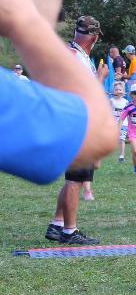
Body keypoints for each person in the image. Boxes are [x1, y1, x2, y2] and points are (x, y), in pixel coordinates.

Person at [0, 0, 115, 186]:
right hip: (73, 125)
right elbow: (98, 132)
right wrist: (24, 20)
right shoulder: (73, 55)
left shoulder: (78, 54)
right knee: (73, 183)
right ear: (94, 38)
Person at [44, 14, 114, 244]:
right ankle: (69, 231)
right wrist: (100, 78)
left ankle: (57, 224)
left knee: (73, 178)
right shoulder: (76, 58)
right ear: (94, 37)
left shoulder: (73, 54)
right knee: (75, 179)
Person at [109, 81, 129, 162]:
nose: (118, 91)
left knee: (121, 139)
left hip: (123, 124)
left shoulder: (125, 102)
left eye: (120, 90)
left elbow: (128, 114)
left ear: (123, 91)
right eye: (116, 90)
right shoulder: (111, 101)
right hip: (113, 124)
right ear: (113, 91)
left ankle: (121, 156)